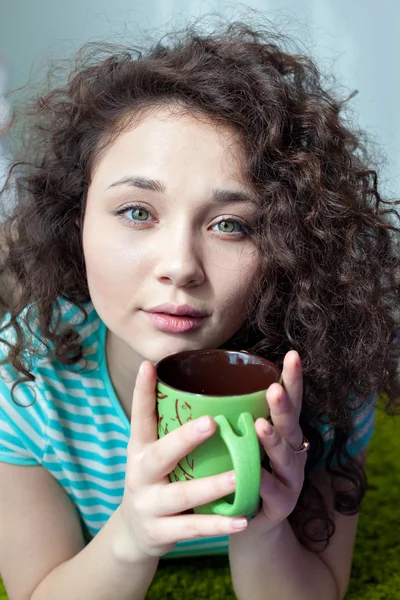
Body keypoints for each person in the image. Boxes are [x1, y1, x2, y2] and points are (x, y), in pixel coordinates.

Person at [0, 16, 399, 600]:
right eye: (138, 211)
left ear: (287, 245)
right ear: (75, 218)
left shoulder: (334, 385)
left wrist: (263, 531)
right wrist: (132, 536)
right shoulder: (23, 379)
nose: (181, 265)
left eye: (231, 225)